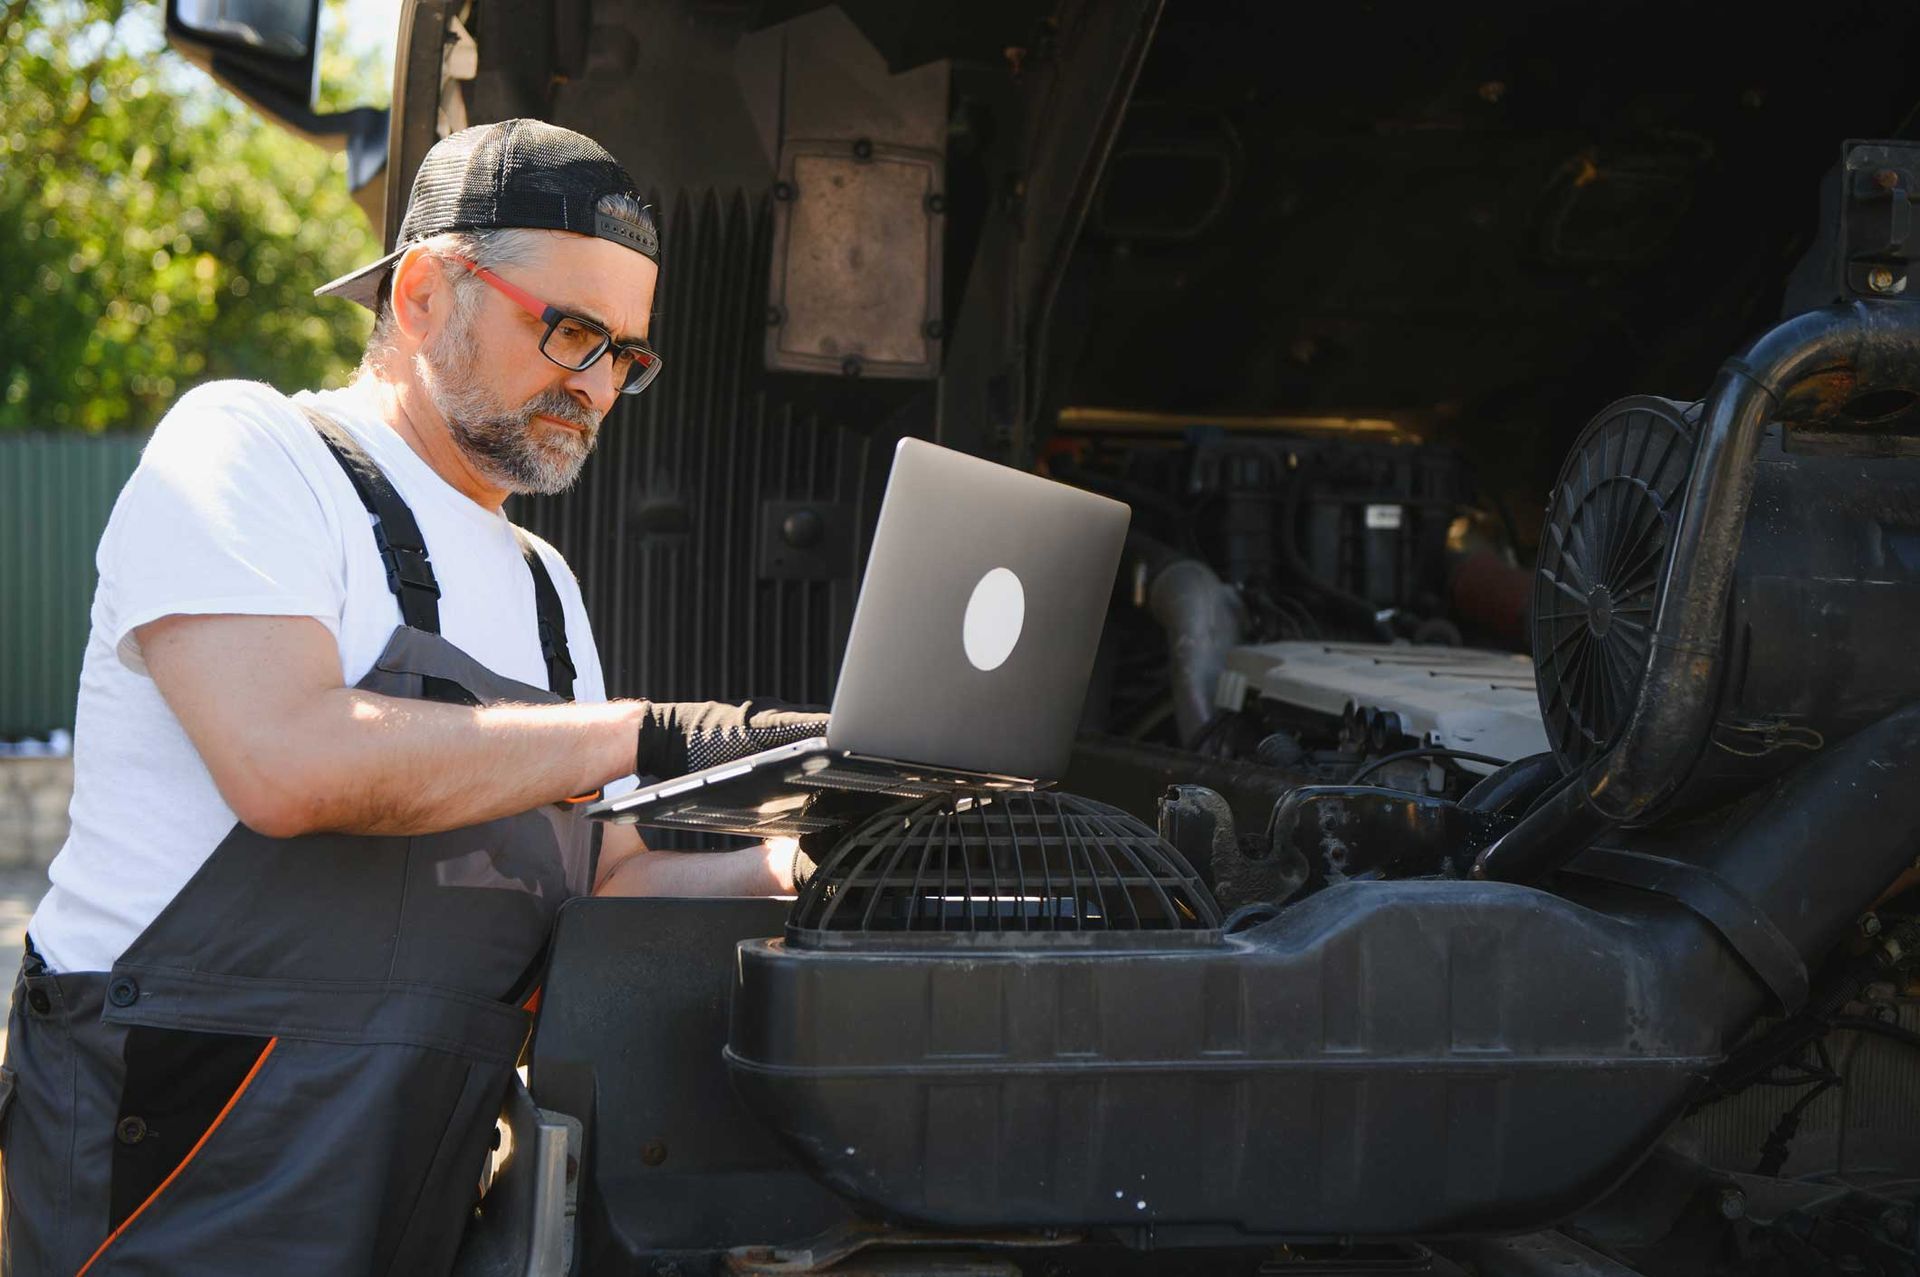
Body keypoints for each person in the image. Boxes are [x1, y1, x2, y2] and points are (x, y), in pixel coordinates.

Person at [0, 119, 822, 1276]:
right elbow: (288, 760)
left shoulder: (546, 588)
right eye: (572, 331)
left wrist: (805, 863)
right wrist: (651, 732)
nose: (597, 385)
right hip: (179, 1169)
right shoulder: (250, 451)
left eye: (627, 355)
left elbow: (611, 879)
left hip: (411, 1188)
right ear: (426, 293)